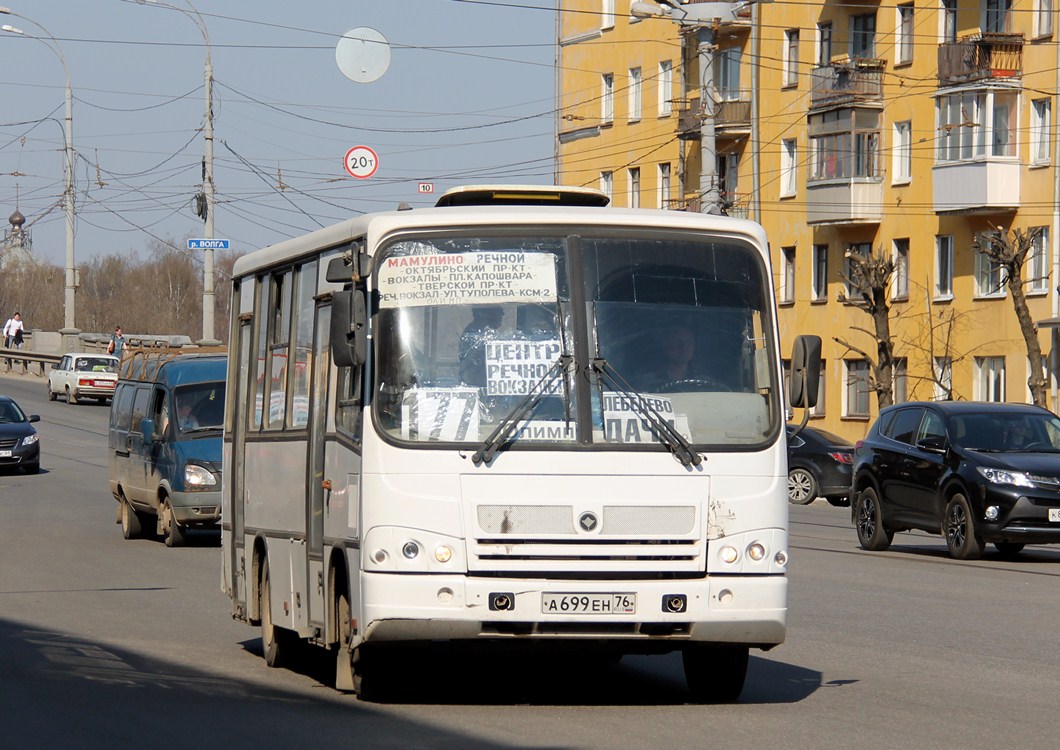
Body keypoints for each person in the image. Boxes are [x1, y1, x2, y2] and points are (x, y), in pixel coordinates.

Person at [458, 306, 504, 388]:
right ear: (484, 314)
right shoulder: (474, 333)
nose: (502, 315)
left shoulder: (485, 332)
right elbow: (475, 361)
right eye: (498, 311)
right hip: (477, 384)